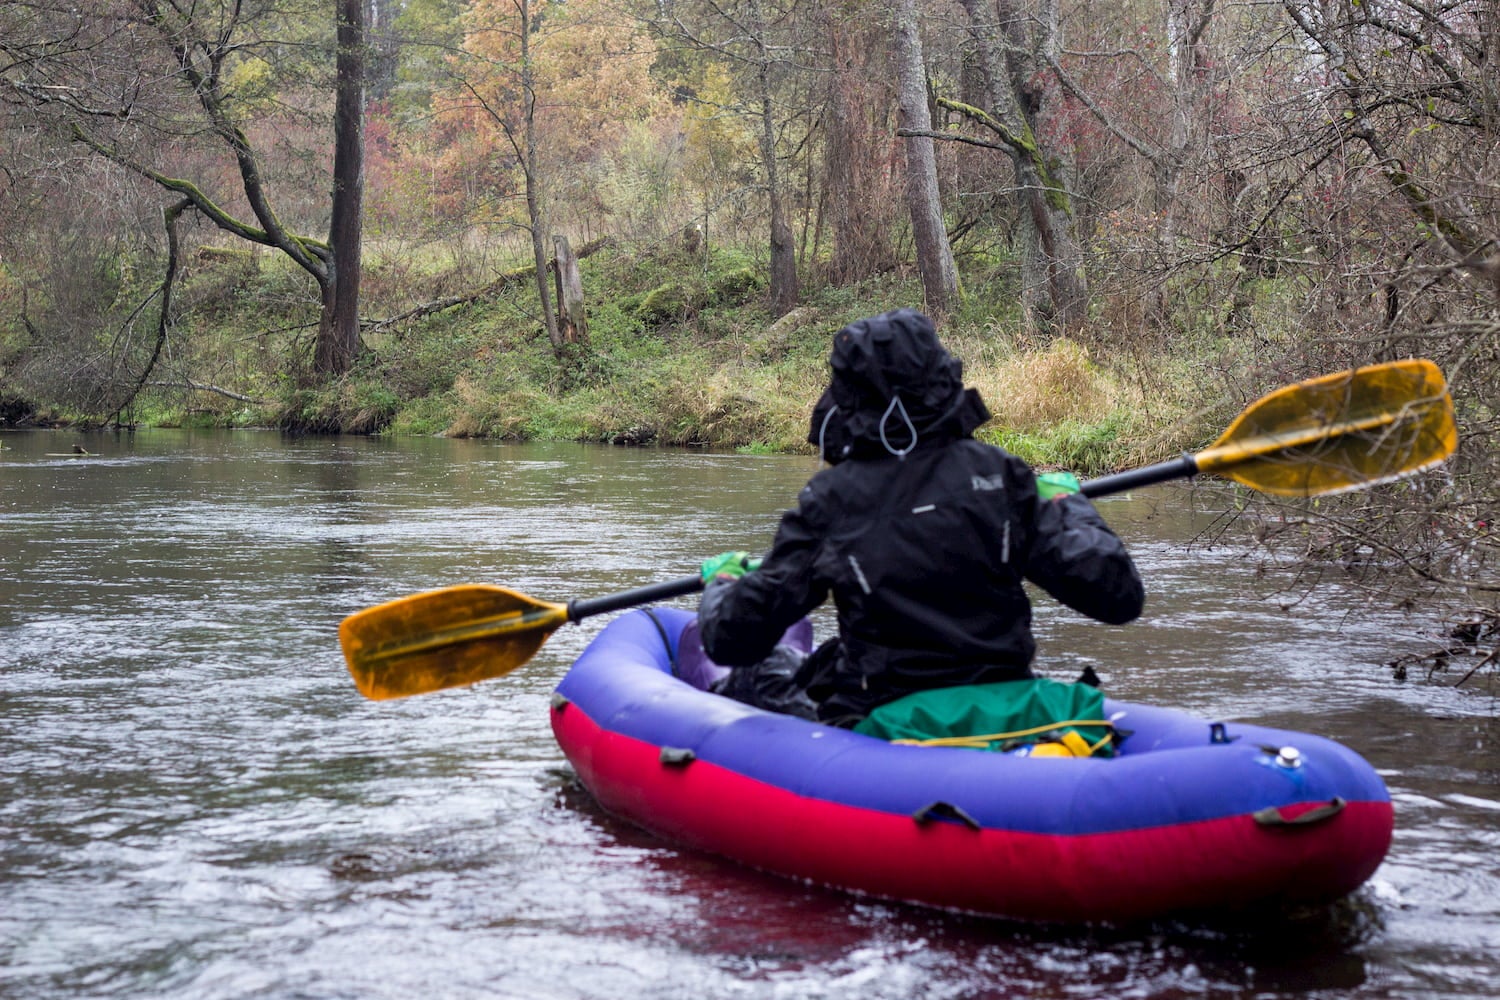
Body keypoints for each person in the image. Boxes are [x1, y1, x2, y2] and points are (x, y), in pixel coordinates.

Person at [695, 308, 1144, 729]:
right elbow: (1117, 596)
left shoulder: (829, 501)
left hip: (885, 719)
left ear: (848, 392)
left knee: (763, 673)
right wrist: (1067, 506)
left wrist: (724, 585)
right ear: (939, 372)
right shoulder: (1001, 475)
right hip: (1005, 702)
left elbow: (732, 641)